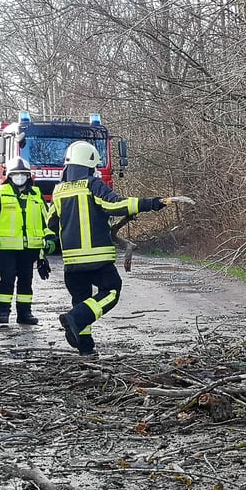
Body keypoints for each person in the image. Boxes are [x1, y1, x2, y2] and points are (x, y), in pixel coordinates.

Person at [47, 140, 166, 355]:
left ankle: (86, 349)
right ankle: (74, 318)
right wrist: (151, 203)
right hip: (97, 259)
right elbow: (116, 205)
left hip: (71, 264)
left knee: (82, 301)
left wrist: (43, 252)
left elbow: (50, 224)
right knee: (111, 291)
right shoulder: (92, 185)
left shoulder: (58, 192)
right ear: (89, 166)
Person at [0, 157, 56, 325]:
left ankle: (24, 313)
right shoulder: (0, 192)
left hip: (30, 249)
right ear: (10, 176)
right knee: (7, 280)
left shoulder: (36, 195)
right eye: (16, 174)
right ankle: (3, 313)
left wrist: (50, 238)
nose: (20, 177)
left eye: (23, 174)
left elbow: (47, 219)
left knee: (26, 281)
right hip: (7, 248)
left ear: (29, 176)